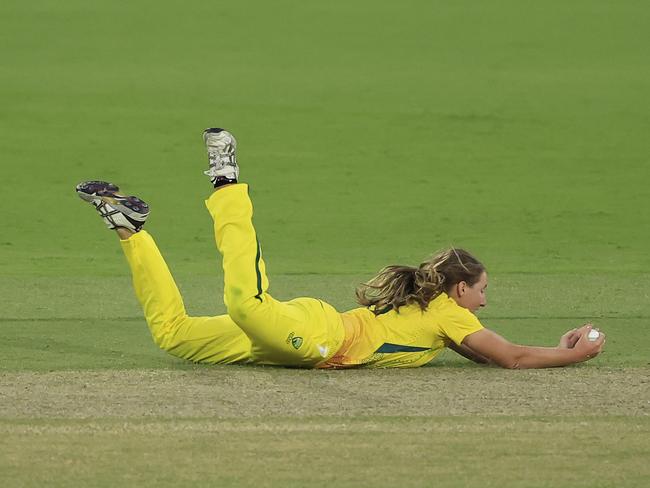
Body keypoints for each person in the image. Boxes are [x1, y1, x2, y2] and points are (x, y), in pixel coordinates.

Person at [76, 128, 606, 369]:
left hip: (284, 348)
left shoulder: (446, 323)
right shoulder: (450, 313)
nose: (486, 302)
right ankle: (227, 181)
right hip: (317, 337)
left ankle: (130, 226)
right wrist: (576, 354)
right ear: (460, 288)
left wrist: (558, 349)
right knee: (244, 304)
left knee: (174, 336)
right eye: (483, 291)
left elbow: (491, 356)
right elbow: (510, 356)